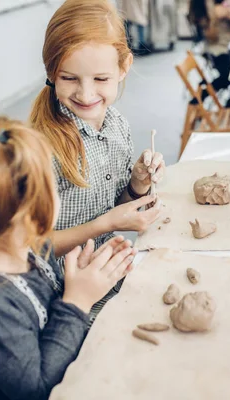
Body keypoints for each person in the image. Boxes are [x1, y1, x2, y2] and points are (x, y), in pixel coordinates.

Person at [0, 117, 137, 400]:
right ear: (31, 211)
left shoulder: (24, 246)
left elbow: (46, 307)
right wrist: (78, 301)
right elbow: (37, 390)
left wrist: (76, 278)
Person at [30, 0, 165, 321]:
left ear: (124, 67)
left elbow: (114, 204)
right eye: (70, 78)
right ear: (51, 71)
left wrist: (137, 183)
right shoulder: (40, 148)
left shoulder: (117, 125)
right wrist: (106, 224)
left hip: (110, 272)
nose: (86, 94)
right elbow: (31, 247)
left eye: (101, 79)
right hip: (62, 296)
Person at [188, 0, 230, 108]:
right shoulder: (201, 6)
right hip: (216, 50)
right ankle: (203, 97)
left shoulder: (224, 4)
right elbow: (208, 34)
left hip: (229, 48)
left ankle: (226, 105)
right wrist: (214, 17)